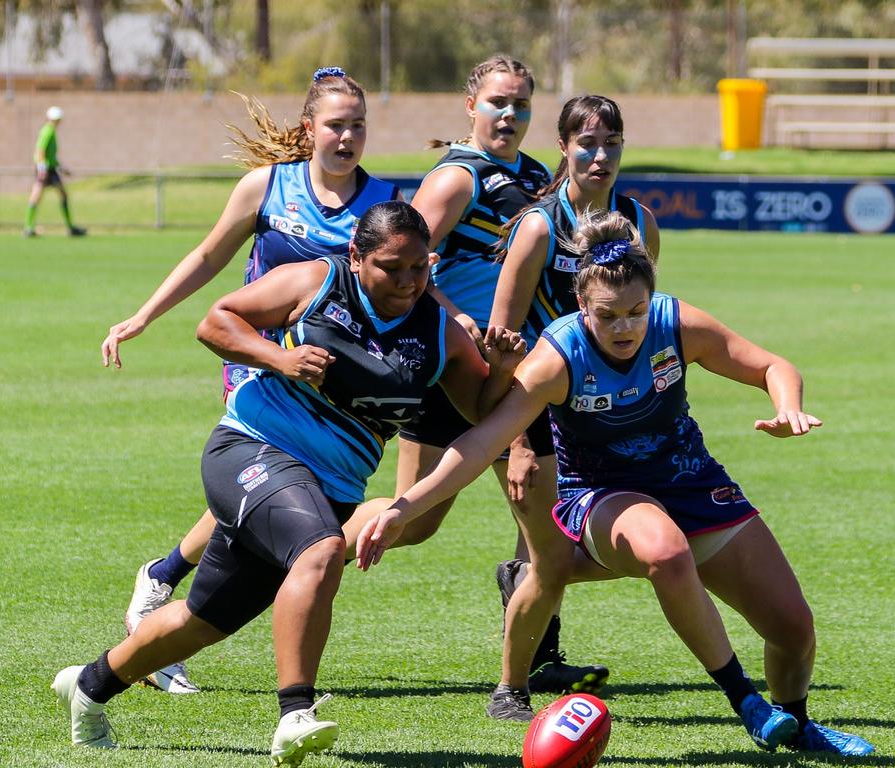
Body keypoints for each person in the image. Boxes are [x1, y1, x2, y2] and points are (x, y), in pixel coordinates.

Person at [357, 210, 875, 757]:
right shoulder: (557, 356)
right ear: (583, 306)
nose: (626, 327)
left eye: (635, 312)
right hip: (601, 493)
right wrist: (403, 508)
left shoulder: (676, 324)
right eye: (609, 316)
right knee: (665, 551)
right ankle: (746, 701)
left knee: (792, 627)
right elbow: (479, 444)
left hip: (690, 480)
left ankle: (797, 725)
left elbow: (772, 366)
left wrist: (787, 408)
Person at [54, 201, 528, 764]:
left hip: (330, 486)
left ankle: (88, 684)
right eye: (389, 267)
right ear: (356, 257)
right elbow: (216, 320)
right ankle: (294, 714)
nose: (406, 282)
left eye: (418, 268)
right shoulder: (316, 282)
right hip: (251, 447)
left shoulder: (440, 331)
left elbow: (479, 410)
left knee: (202, 620)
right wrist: (276, 358)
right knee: (324, 548)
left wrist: (498, 368)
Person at [101, 67, 400, 693]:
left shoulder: (384, 204)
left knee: (286, 489)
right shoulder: (268, 187)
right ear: (308, 129)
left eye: (358, 126)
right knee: (273, 474)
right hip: (259, 363)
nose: (347, 137)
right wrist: (144, 315)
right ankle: (166, 590)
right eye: (335, 125)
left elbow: (414, 285)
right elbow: (210, 254)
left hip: (329, 385)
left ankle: (166, 579)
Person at [343, 55, 609, 703]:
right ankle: (299, 543)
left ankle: (538, 652)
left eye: (521, 105)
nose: (509, 115)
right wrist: (465, 324)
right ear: (471, 106)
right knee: (418, 518)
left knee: (540, 504)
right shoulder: (458, 178)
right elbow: (402, 270)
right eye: (497, 102)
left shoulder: (535, 176)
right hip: (450, 369)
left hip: (512, 368)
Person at [481, 93, 661, 719]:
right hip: (538, 406)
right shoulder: (539, 225)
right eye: (588, 143)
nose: (601, 155)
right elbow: (501, 337)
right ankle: (512, 685)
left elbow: (644, 323)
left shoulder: (638, 220)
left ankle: (535, 636)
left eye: (612, 142)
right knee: (546, 552)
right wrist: (520, 443)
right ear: (563, 147)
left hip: (604, 409)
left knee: (558, 546)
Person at [24, 106, 86, 237]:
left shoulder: (51, 131)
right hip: (45, 170)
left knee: (62, 194)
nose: (56, 122)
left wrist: (61, 167)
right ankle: (28, 227)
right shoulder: (47, 131)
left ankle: (70, 227)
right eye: (54, 119)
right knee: (36, 196)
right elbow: (39, 151)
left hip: (50, 169)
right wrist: (42, 168)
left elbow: (51, 155)